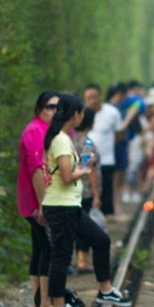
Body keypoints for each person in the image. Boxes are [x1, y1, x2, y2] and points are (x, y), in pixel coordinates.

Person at [42, 93, 131, 307]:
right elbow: (66, 175)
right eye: (81, 112)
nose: (83, 116)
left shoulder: (64, 137)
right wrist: (83, 170)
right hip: (61, 206)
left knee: (101, 239)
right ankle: (59, 306)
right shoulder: (61, 140)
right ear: (75, 114)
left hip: (69, 205)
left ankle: (105, 290)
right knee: (61, 256)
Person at [16, 90, 58, 307]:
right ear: (39, 110)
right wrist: (43, 205)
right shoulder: (34, 131)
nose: (54, 111)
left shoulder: (49, 131)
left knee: (40, 248)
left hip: (39, 199)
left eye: (57, 107)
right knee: (47, 249)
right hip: (35, 200)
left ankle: (37, 305)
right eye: (50, 107)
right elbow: (36, 171)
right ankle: (44, 304)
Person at [83, 83, 122, 218]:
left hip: (106, 159)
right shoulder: (83, 114)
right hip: (87, 159)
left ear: (100, 96)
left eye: (95, 97)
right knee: (88, 191)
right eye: (89, 98)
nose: (93, 100)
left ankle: (105, 220)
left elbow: (119, 133)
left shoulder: (112, 112)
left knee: (106, 190)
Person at [71, 107, 101, 273]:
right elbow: (90, 169)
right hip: (86, 191)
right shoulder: (87, 143)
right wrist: (96, 194)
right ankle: (82, 261)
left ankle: (75, 261)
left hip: (72, 190)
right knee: (84, 227)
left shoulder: (71, 140)